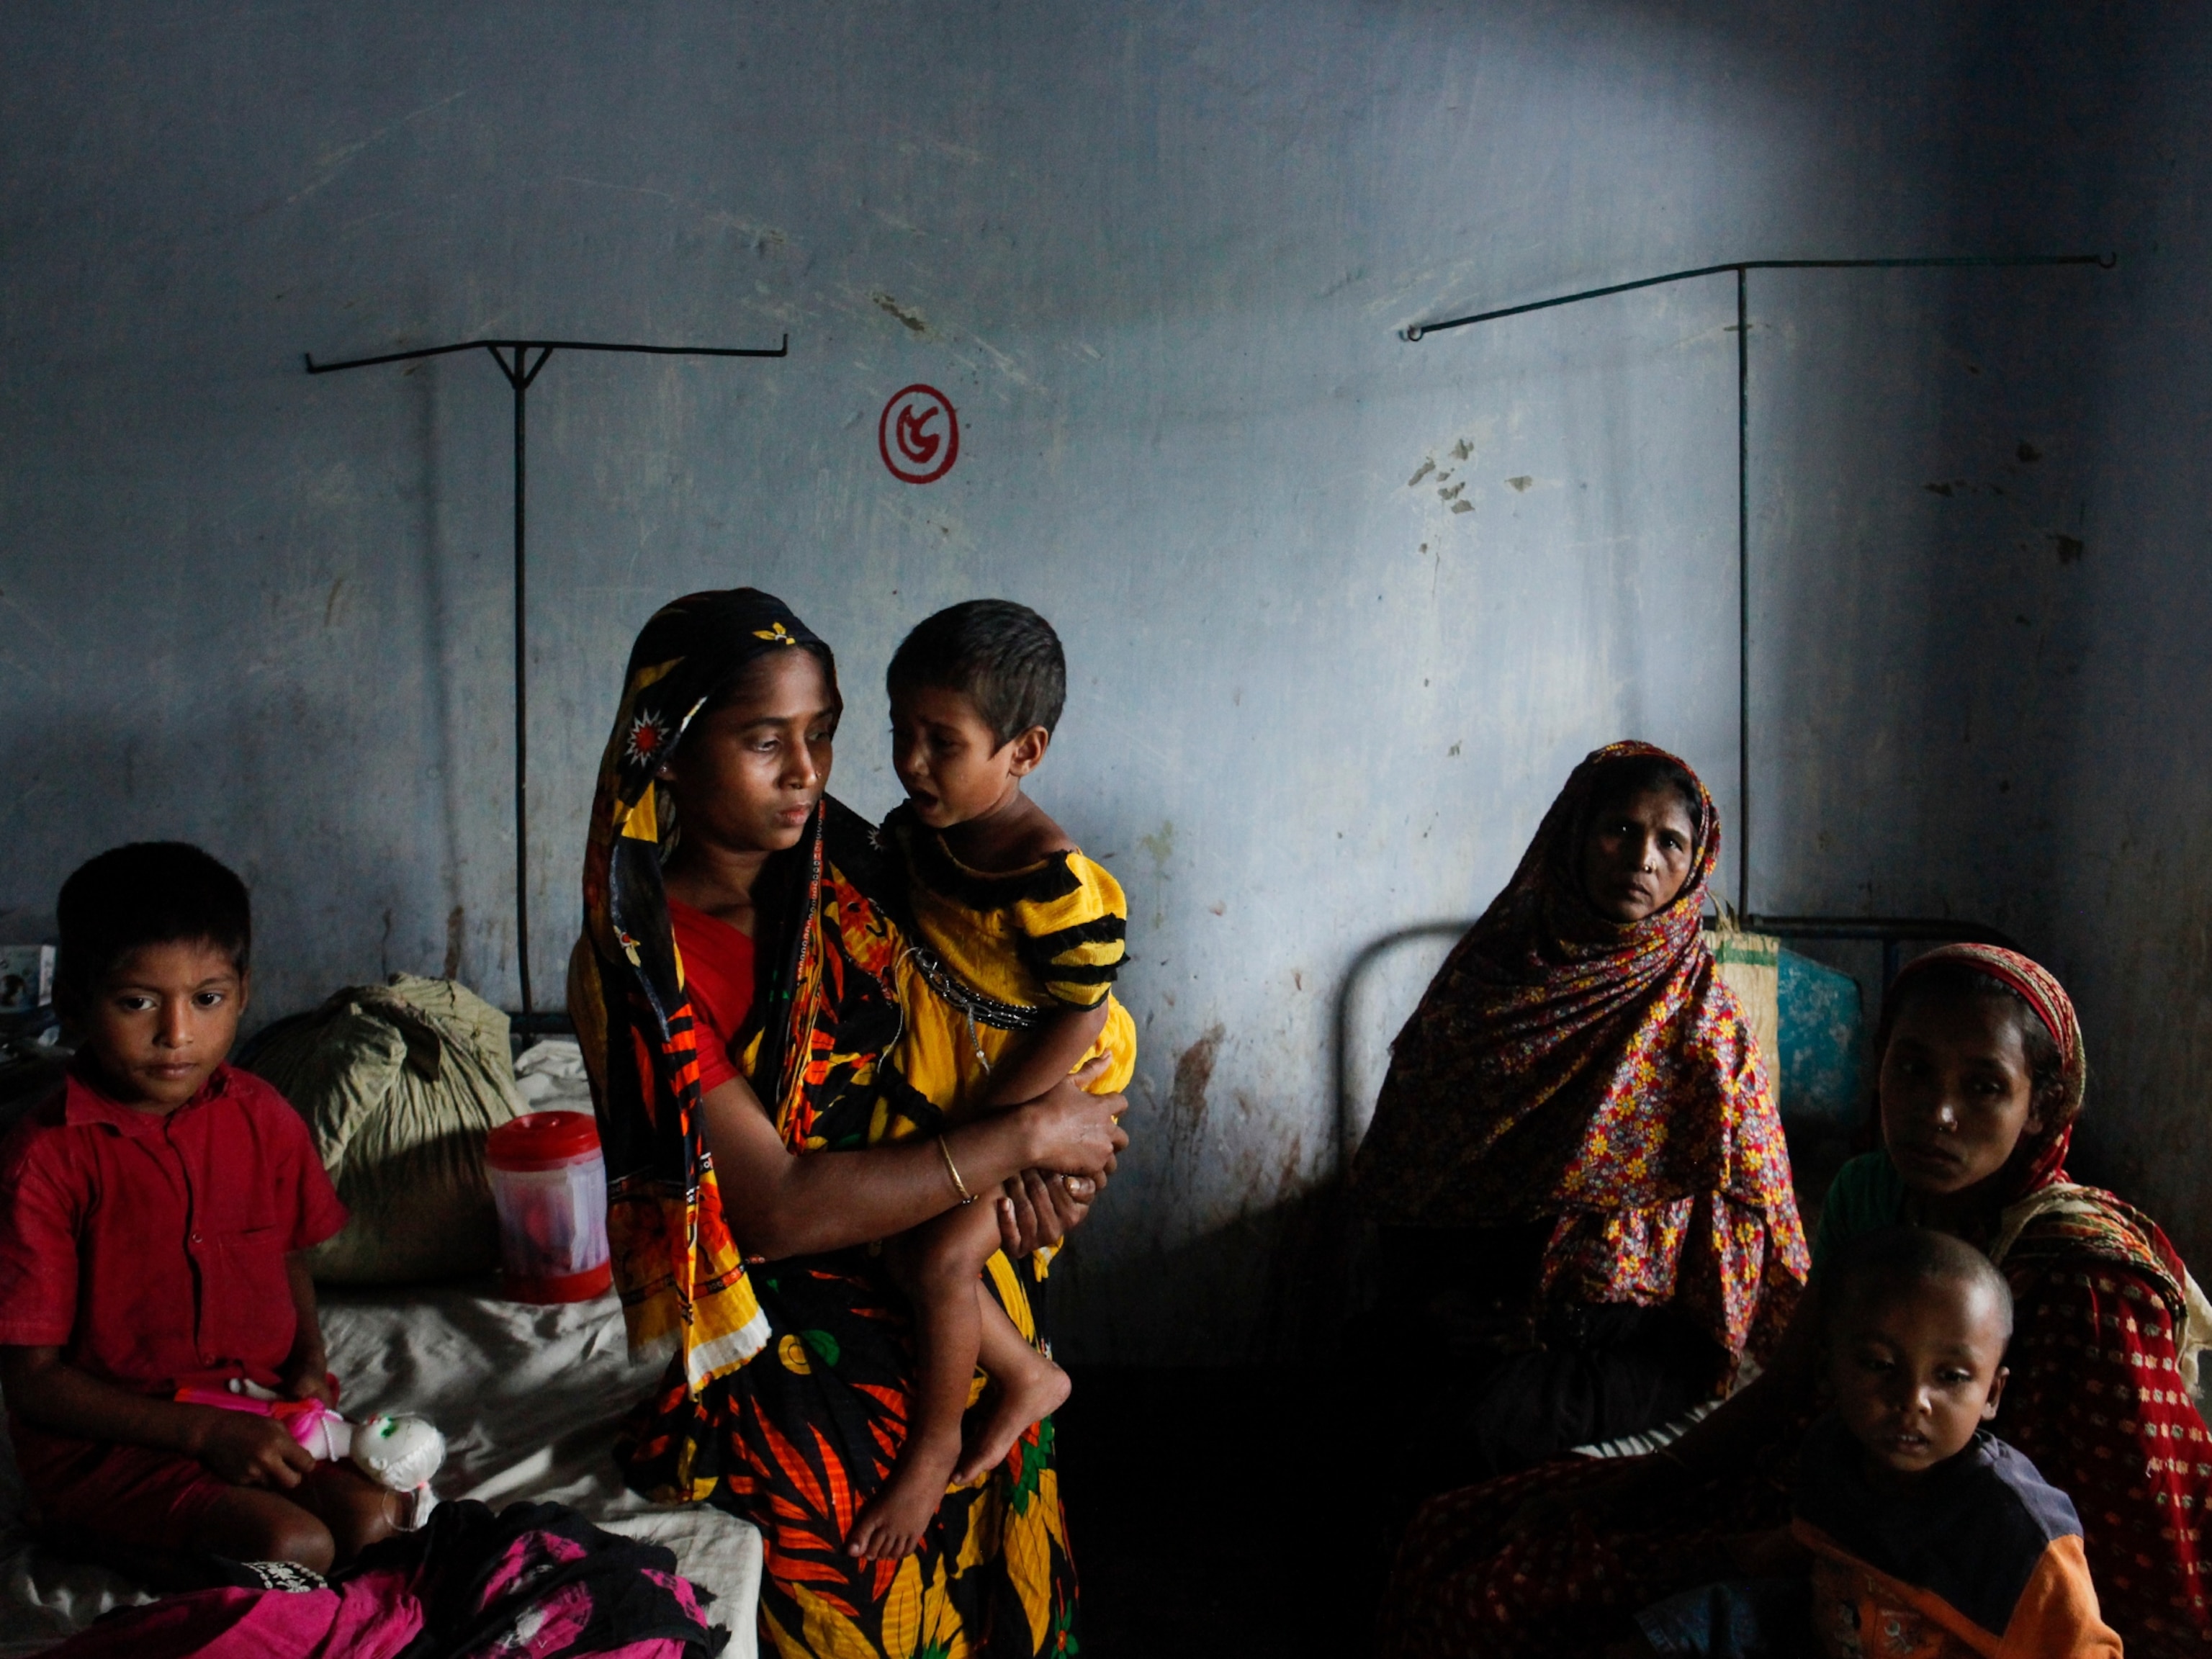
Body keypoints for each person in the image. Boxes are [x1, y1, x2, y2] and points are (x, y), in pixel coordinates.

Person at [569, 589, 1126, 1659]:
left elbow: (1019, 1013)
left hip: (940, 1214)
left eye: (821, 733)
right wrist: (1024, 1141)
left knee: (983, 1388)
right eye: (763, 741)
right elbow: (771, 1209)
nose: (807, 772)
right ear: (673, 756)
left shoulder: (857, 863)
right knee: (824, 1477)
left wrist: (1069, 1151)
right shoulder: (643, 968)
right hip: (779, 1270)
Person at [1380, 943, 2212, 1658]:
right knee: (1464, 1533)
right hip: (1827, 1503)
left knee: (1517, 1606)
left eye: (1986, 1086)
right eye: (1912, 1069)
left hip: (1968, 1578)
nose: (1937, 1113)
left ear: (2045, 1109)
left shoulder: (2087, 1279)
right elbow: (1785, 1390)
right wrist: (1650, 1477)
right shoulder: (1868, 1192)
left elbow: (2144, 1554)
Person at [1350, 742, 1806, 1493]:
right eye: (1619, 830)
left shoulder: (1703, 1025)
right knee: (1356, 1389)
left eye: (1671, 843)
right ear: (1574, 835)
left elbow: (1748, 1217)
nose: (1643, 859)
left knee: (1476, 1436)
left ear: (1694, 866)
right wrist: (1439, 1305)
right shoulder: (1488, 983)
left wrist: (1562, 1319)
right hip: (1476, 1297)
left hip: (1633, 1333)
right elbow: (1413, 1167)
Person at [0, 842, 392, 1573]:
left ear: (243, 992)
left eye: (206, 999)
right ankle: (66, 1525)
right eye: (136, 1002)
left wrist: (309, 1364)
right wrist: (202, 1434)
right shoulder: (43, 1160)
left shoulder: (263, 1117)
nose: (177, 1035)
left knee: (375, 1522)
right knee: (294, 1547)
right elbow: (33, 1381)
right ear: (75, 1004)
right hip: (117, 1440)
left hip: (260, 1415)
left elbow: (287, 1257)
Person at [846, 600, 1138, 1560]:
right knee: (899, 1248)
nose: (912, 762)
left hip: (1046, 1086)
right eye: (900, 733)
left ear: (1025, 752)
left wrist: (1010, 1131)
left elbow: (1081, 1015)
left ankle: (932, 1451)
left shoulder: (1059, 885)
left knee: (935, 1260)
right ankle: (1028, 1376)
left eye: (943, 742)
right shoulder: (921, 832)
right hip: (962, 1070)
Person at [1631, 1226, 2121, 1658]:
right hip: (1826, 1634)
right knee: (1679, 1623)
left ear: (1992, 1393)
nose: (1912, 1401)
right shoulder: (1830, 1450)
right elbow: (1819, 1548)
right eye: (1879, 1365)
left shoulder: (2022, 1533)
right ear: (1828, 1370)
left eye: (1950, 1376)